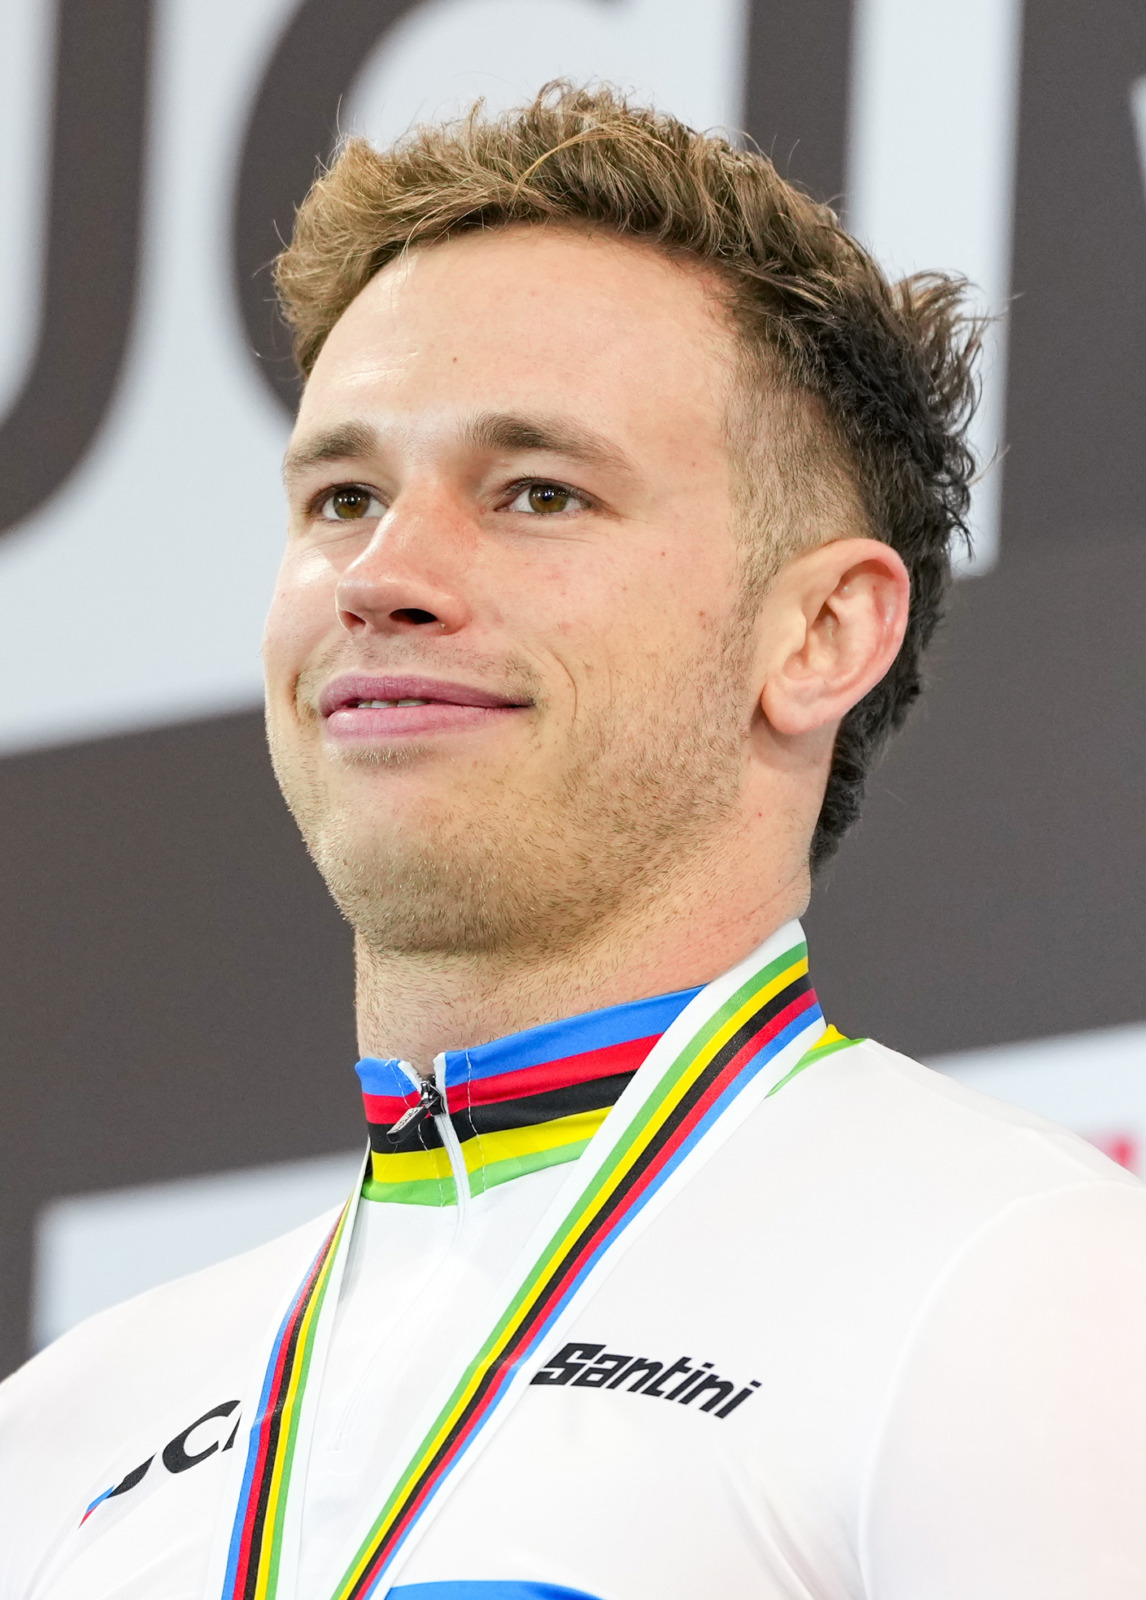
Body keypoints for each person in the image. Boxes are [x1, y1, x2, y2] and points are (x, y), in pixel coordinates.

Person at [3, 83, 1145, 1600]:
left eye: (537, 492)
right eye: (342, 495)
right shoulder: (62, 1430)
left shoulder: (1024, 1285)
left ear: (819, 632)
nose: (381, 573)